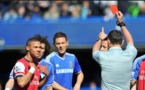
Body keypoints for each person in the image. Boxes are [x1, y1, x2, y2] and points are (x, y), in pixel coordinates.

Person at [92, 11, 137, 90]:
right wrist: (121, 22)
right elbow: (130, 41)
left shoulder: (103, 56)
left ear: (108, 42)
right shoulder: (129, 55)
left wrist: (100, 39)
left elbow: (95, 51)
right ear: (122, 42)